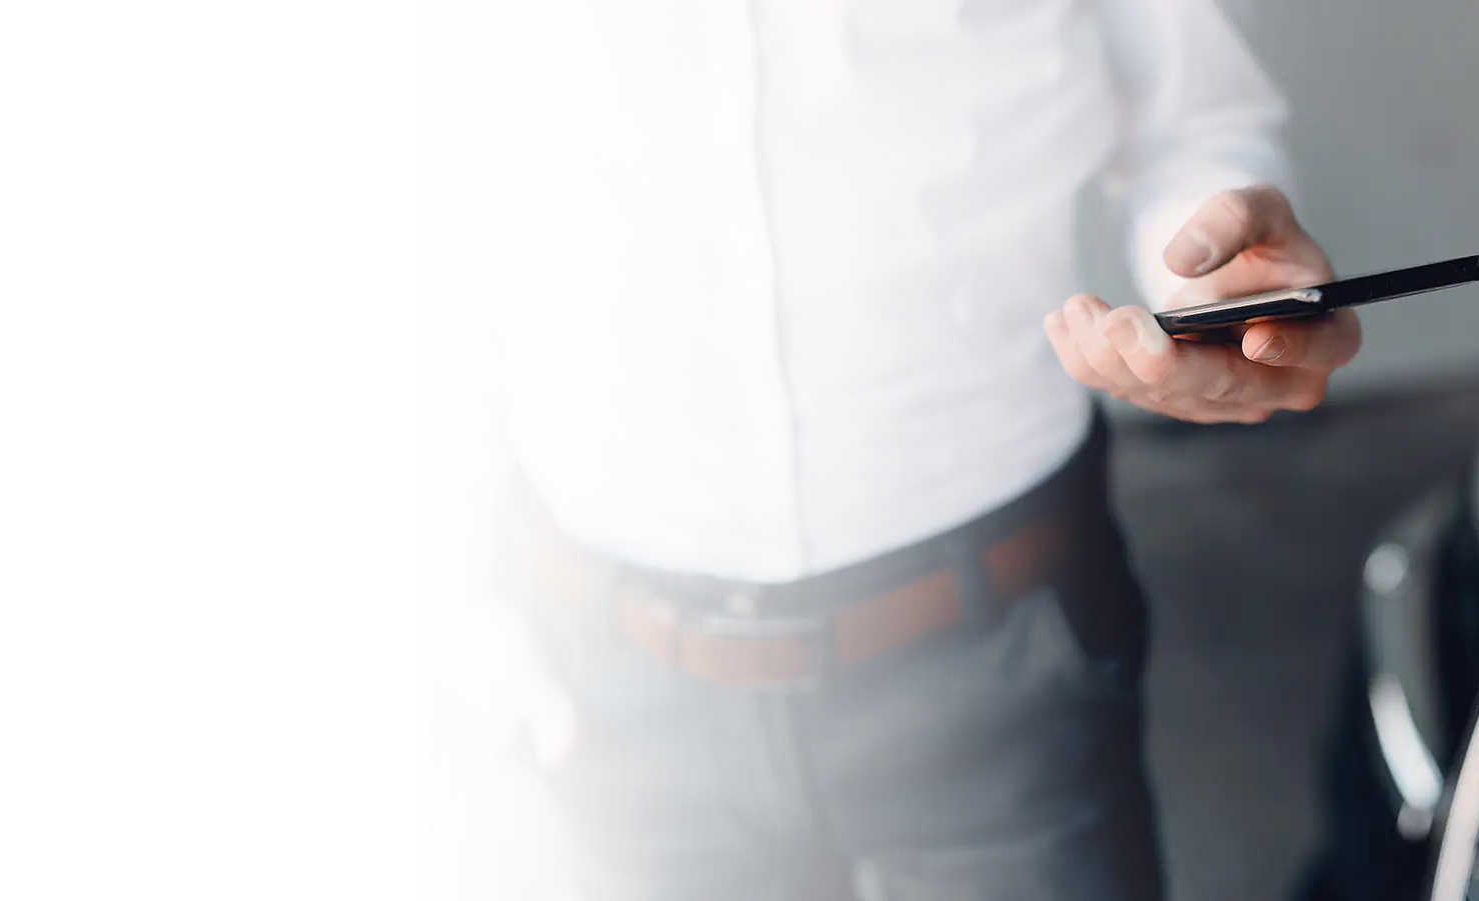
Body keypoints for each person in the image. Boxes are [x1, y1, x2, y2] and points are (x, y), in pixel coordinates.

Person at [417, 0, 1355, 898]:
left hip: (1008, 633)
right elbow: (422, 160)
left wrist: (1221, 293)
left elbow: (1191, 120)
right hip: (614, 666)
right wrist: (430, 574)